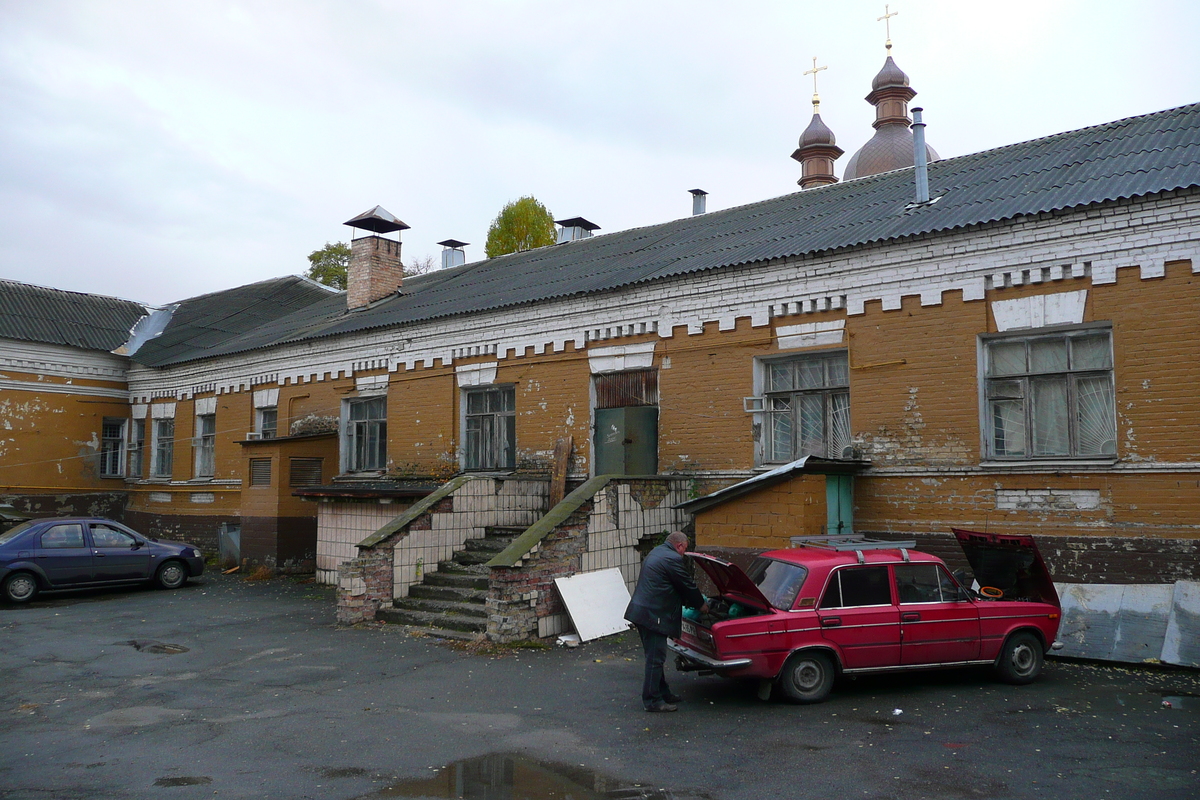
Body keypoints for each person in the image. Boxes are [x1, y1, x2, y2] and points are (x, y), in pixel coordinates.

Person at [624, 531, 709, 712]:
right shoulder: (672, 559)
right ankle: (652, 701)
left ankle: (663, 692)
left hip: (641, 612)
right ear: (679, 545)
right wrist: (701, 605)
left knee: (655, 656)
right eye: (684, 550)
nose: (683, 554)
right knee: (656, 658)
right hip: (653, 616)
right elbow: (686, 585)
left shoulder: (657, 552)